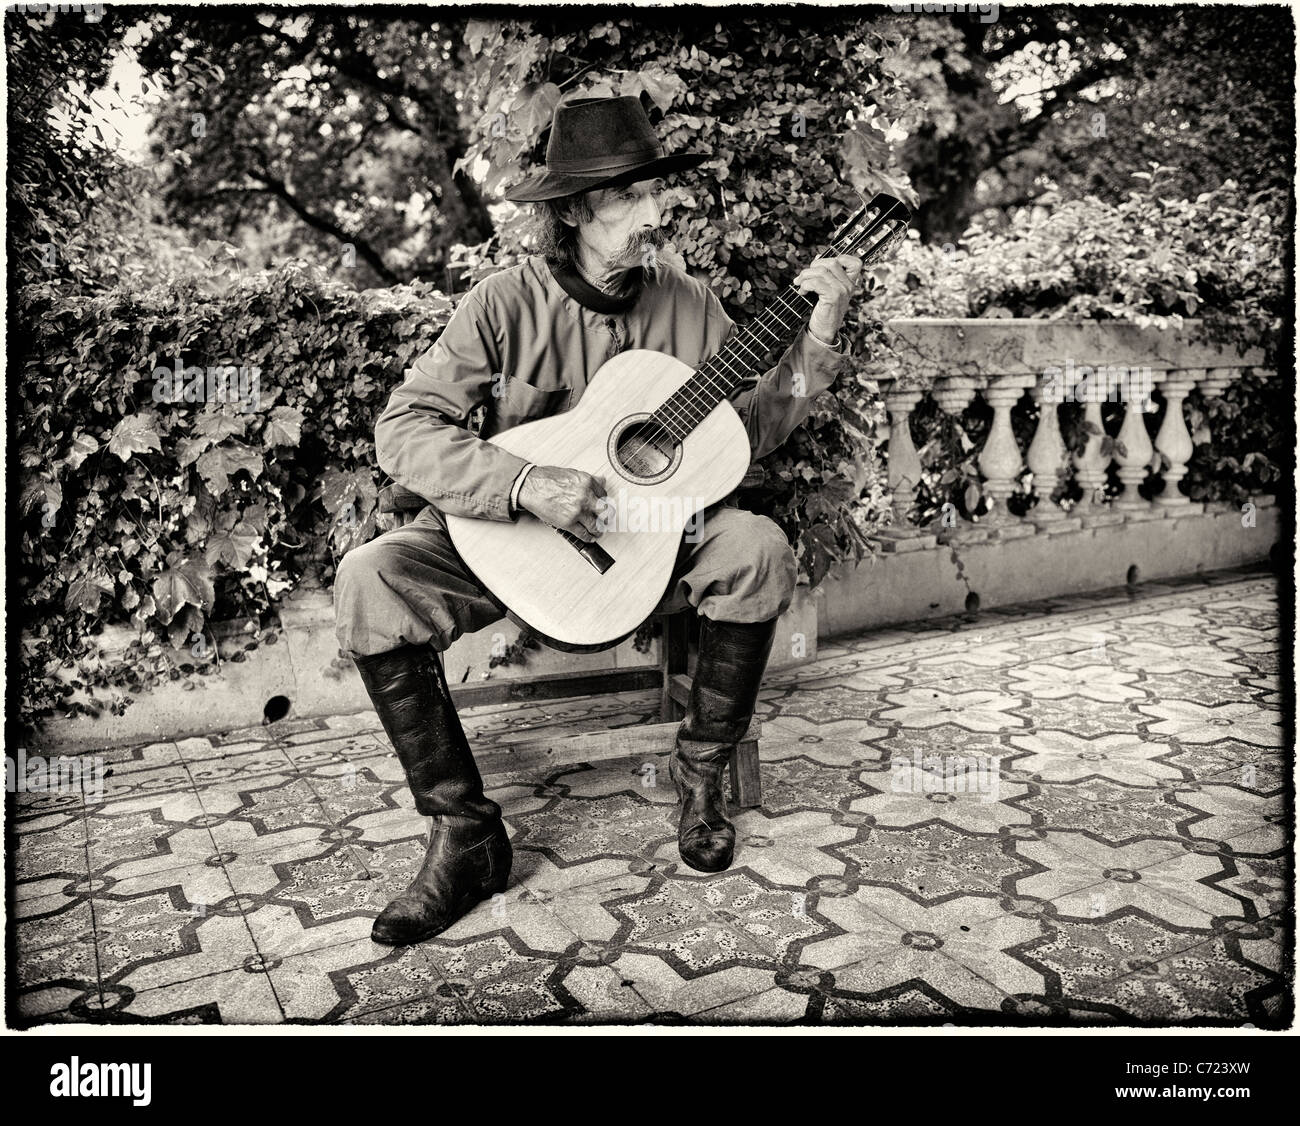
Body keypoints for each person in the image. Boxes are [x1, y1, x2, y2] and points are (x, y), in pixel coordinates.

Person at [334, 94, 864, 946]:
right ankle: (465, 836)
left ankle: (699, 779)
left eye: (657, 193)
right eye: (631, 197)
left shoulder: (690, 305)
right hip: (511, 544)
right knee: (370, 578)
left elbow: (749, 432)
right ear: (575, 211)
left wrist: (820, 335)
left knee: (758, 549)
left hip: (654, 547)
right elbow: (403, 428)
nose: (658, 213)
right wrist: (521, 481)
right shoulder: (503, 304)